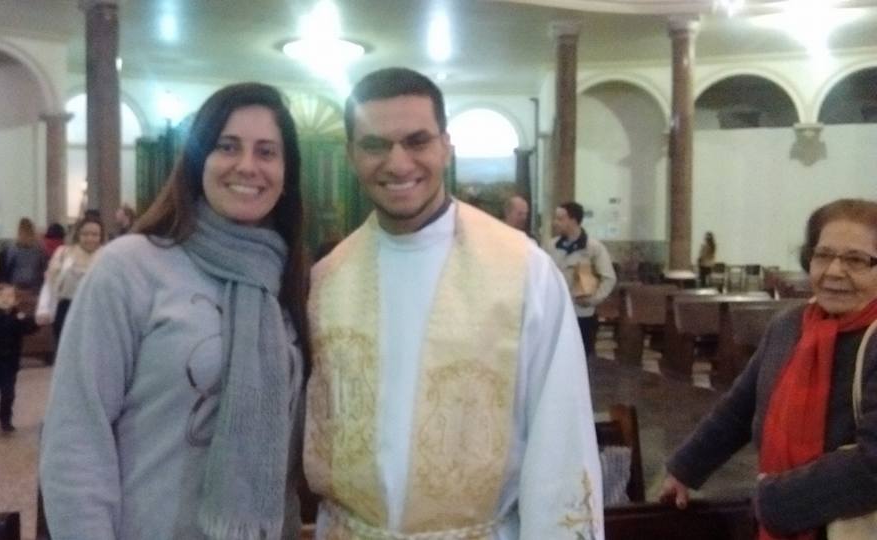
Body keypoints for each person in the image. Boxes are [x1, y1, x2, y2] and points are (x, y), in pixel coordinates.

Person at [304, 67, 602, 539]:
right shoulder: (326, 280)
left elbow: (560, 444)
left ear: (446, 146)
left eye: (417, 141)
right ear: (351, 156)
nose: (398, 163)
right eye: (375, 145)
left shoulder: (523, 271)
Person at [39, 83, 308, 540]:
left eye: (266, 152)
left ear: (286, 175)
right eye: (227, 146)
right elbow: (76, 435)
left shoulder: (285, 282)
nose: (247, 165)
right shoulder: (131, 266)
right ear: (198, 161)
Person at [660, 198, 877, 539]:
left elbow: (873, 465)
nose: (834, 271)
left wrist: (774, 500)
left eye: (856, 260)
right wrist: (685, 468)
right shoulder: (789, 325)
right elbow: (740, 407)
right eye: (823, 255)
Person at [547, 202, 617, 358]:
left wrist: (593, 300)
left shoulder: (593, 247)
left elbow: (609, 278)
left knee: (583, 357)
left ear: (573, 220)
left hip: (582, 313)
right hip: (556, 314)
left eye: (560, 219)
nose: (555, 222)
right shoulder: (551, 246)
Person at [36, 216, 103, 344]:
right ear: (78, 235)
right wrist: (43, 308)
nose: (90, 238)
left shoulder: (107, 256)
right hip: (66, 309)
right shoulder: (64, 253)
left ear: (101, 236)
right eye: (85, 234)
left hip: (96, 312)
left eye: (95, 235)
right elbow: (50, 283)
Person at [0, 284, 38, 432]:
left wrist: (37, 322)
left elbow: (29, 328)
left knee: (8, 393)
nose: (5, 299)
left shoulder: (19, 316)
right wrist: (15, 319)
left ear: (16, 301)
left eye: (9, 296)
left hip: (9, 362)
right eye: (1, 296)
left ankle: (5, 420)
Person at [0, 218, 46, 290]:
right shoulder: (38, 251)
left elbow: (5, 269)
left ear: (19, 231)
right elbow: (42, 269)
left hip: (15, 286)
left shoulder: (12, 250)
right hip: (33, 287)